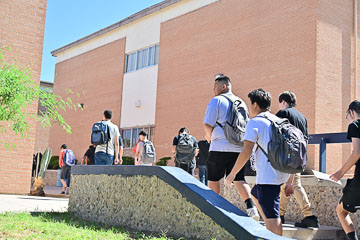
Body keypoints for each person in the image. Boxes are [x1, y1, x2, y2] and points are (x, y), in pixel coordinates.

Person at [225, 89, 291, 236]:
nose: (249, 107)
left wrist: (232, 174)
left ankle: (274, 235)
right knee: (255, 195)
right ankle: (269, 230)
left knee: (273, 218)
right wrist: (290, 180)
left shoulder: (255, 122)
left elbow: (246, 151)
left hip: (269, 177)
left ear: (255, 104)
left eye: (250, 103)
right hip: (281, 172)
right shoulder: (277, 120)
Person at [203, 75, 259, 220]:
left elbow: (208, 124)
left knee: (214, 179)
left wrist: (209, 138)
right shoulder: (241, 102)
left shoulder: (217, 100)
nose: (213, 89)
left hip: (219, 147)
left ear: (224, 86)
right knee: (239, 179)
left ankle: (215, 209)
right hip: (238, 148)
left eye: (215, 86)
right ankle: (251, 208)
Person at [276, 91, 319, 228]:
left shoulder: (283, 114)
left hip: (286, 156)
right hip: (300, 155)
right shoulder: (302, 117)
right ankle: (280, 215)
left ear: (283, 102)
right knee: (287, 185)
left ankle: (310, 216)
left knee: (293, 185)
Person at [330, 100, 360, 240]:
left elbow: (357, 152)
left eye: (347, 115)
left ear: (352, 112)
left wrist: (340, 172)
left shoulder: (355, 125)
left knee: (341, 210)